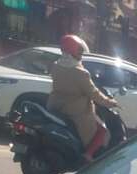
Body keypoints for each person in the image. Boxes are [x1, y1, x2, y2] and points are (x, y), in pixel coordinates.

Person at [47, 34, 119, 162]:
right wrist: (109, 102)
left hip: (56, 106)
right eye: (79, 50)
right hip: (76, 112)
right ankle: (88, 154)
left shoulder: (56, 66)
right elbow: (94, 94)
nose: (81, 53)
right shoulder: (81, 73)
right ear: (73, 50)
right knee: (103, 130)